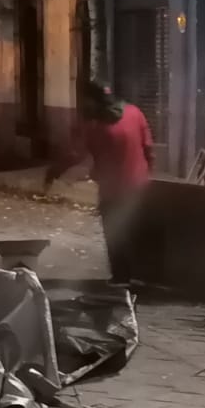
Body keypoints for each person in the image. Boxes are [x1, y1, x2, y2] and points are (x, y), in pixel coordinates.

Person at [47, 85, 154, 284]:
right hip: (139, 186)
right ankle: (141, 276)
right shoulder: (135, 113)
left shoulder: (93, 126)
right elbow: (148, 148)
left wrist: (54, 171)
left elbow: (75, 154)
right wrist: (147, 174)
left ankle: (122, 278)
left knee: (115, 233)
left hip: (112, 190)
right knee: (136, 230)